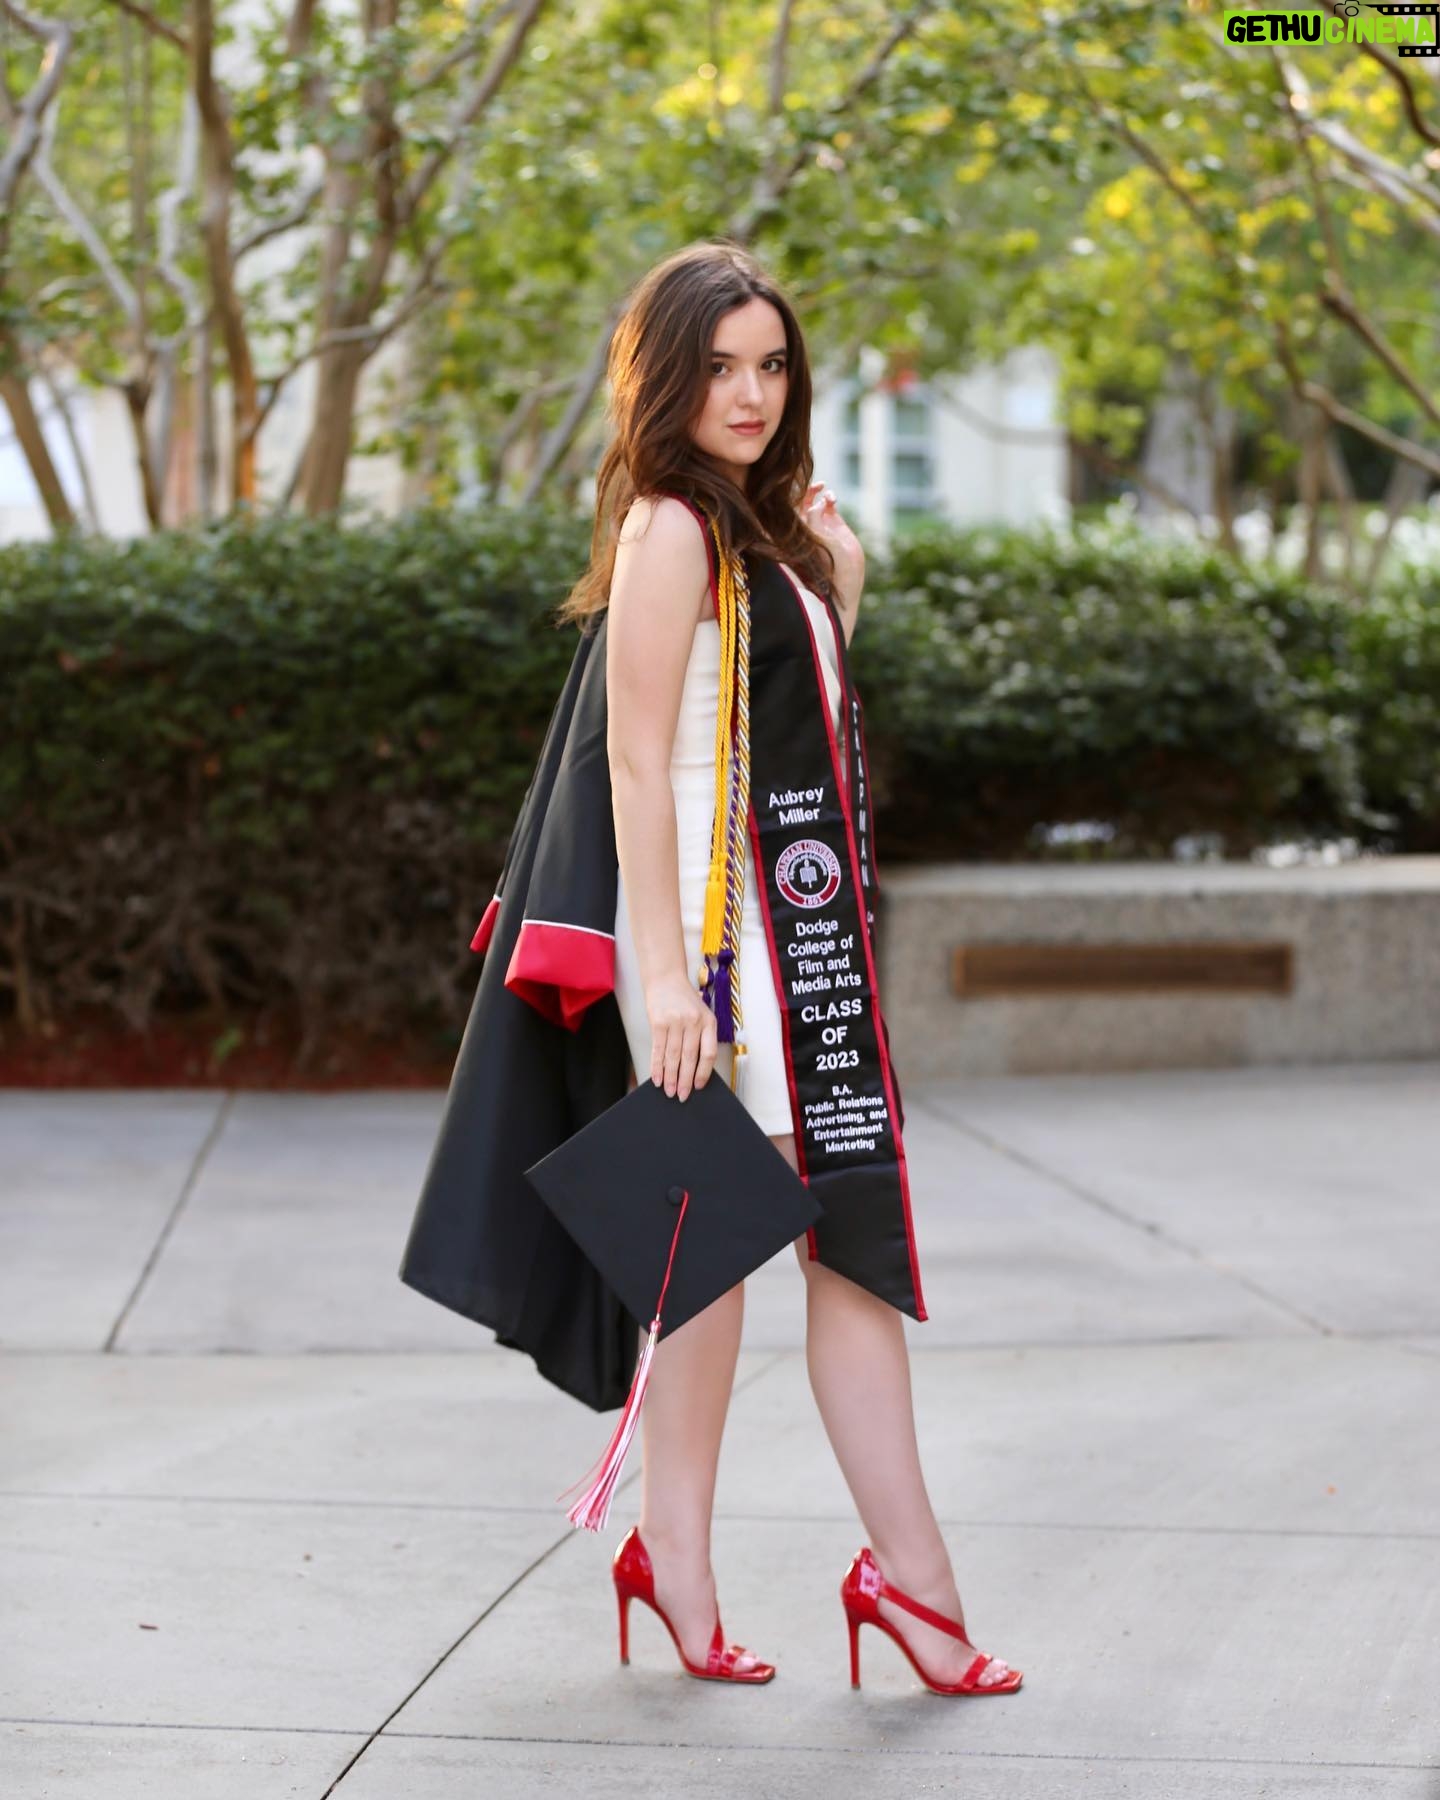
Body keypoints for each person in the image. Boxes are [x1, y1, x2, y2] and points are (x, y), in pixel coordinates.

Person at [399, 239, 1021, 1697]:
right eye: (722, 366)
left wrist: (840, 583)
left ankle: (717, 1558)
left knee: (753, 1247)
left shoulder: (763, 532)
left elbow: (780, 735)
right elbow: (635, 762)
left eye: (773, 365)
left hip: (787, 946)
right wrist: (666, 981)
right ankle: (870, 1579)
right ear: (667, 377)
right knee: (771, 1242)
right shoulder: (671, 527)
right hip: (709, 956)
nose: (751, 393)